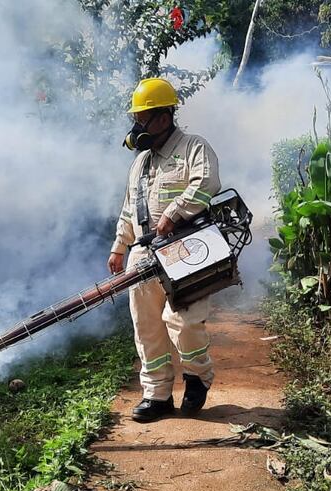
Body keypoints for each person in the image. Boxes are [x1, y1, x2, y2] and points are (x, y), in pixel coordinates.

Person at [108, 78, 221, 422]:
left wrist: (174, 213)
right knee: (146, 327)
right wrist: (119, 247)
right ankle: (156, 395)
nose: (137, 127)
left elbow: (207, 182)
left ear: (164, 116)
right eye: (136, 119)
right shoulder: (140, 163)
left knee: (183, 322)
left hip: (187, 248)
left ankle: (197, 377)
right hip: (143, 253)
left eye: (143, 119)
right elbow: (129, 208)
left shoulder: (193, 147)